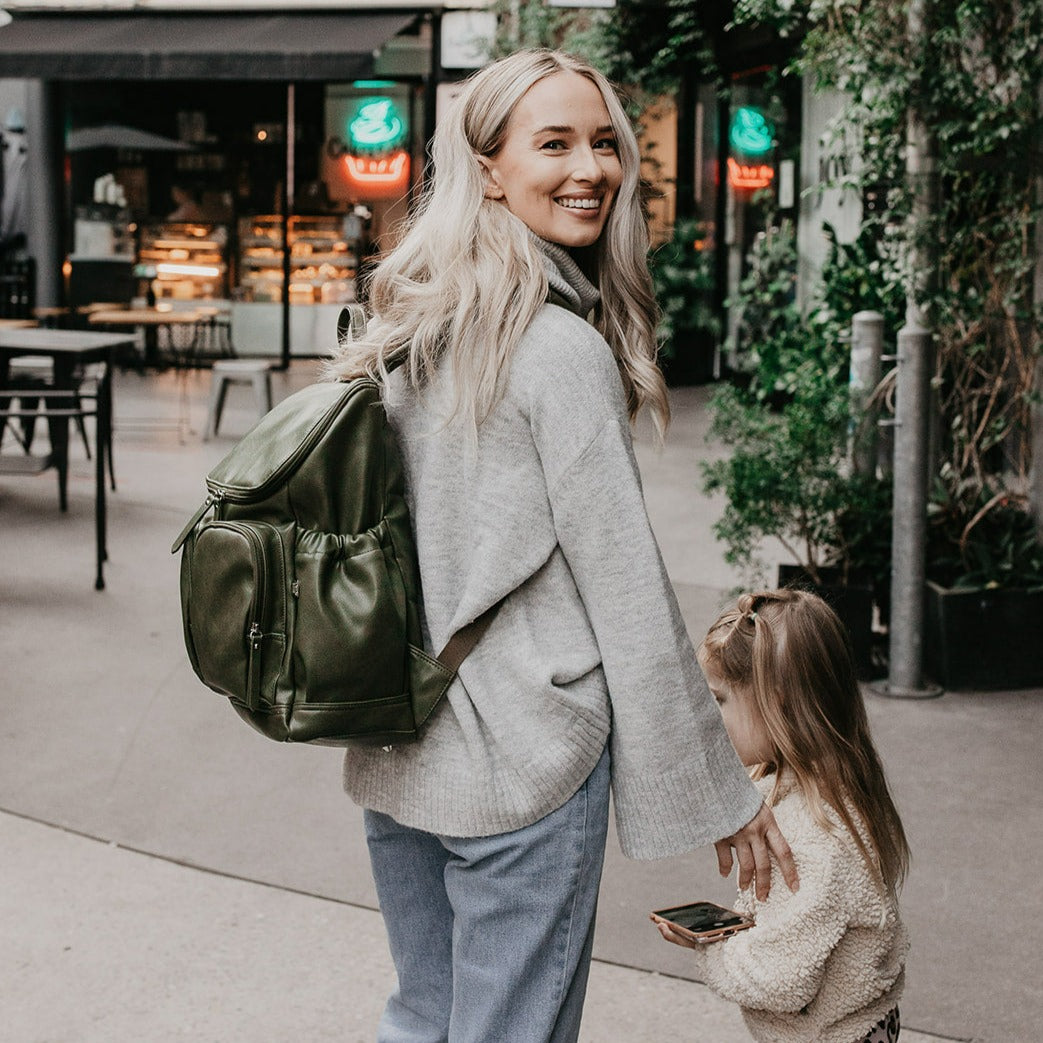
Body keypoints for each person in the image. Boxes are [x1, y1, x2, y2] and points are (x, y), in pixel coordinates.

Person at [330, 48, 797, 1043]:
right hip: (524, 760)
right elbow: (628, 593)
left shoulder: (405, 322)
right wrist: (719, 790)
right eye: (554, 143)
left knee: (424, 1014)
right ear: (487, 166)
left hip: (398, 736)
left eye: (602, 142)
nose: (590, 168)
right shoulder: (557, 350)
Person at [653, 589, 910, 1043]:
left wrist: (709, 947)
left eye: (719, 700)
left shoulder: (814, 840)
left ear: (779, 704)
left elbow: (781, 980)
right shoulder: (812, 778)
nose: (708, 719)